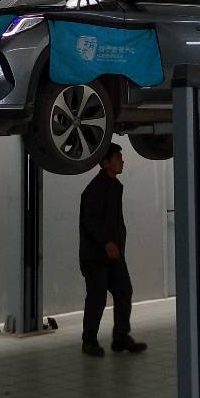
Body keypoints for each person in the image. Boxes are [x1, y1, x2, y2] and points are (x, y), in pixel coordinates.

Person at [78, 143, 147, 357]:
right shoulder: (95, 189)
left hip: (114, 256)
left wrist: (118, 244)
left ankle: (120, 338)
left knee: (124, 291)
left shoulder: (115, 186)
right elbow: (90, 221)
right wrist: (107, 242)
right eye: (118, 158)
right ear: (106, 163)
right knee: (97, 298)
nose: (122, 161)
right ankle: (89, 341)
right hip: (96, 257)